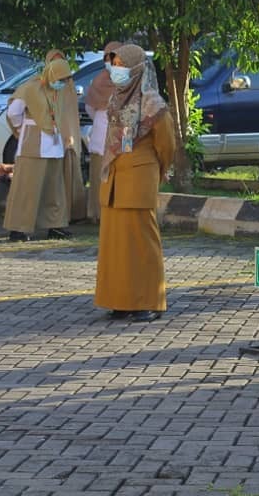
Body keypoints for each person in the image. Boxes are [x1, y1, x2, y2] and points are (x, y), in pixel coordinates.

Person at [93, 44, 175, 323]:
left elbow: (166, 145)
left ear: (137, 69)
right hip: (114, 180)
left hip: (139, 178)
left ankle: (149, 301)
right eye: (114, 64)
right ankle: (121, 300)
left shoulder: (154, 104)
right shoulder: (116, 99)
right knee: (116, 246)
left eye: (121, 65)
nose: (116, 70)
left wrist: (158, 170)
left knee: (142, 245)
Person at [2, 57, 74, 241]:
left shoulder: (58, 92)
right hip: (33, 144)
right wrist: (23, 129)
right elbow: (13, 112)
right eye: (61, 78)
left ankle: (54, 225)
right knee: (27, 188)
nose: (64, 82)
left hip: (54, 144)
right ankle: (19, 228)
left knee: (54, 190)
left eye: (66, 79)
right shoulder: (30, 88)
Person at [43, 49, 87, 223]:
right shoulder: (43, 86)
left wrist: (69, 137)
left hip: (68, 140)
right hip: (50, 139)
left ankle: (70, 213)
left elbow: (70, 114)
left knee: (69, 176)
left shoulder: (68, 86)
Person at [84, 41, 122, 223]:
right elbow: (90, 107)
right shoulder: (99, 81)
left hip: (121, 139)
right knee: (98, 177)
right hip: (101, 136)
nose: (110, 62)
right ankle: (96, 214)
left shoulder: (128, 81)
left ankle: (114, 212)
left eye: (113, 58)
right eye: (107, 58)